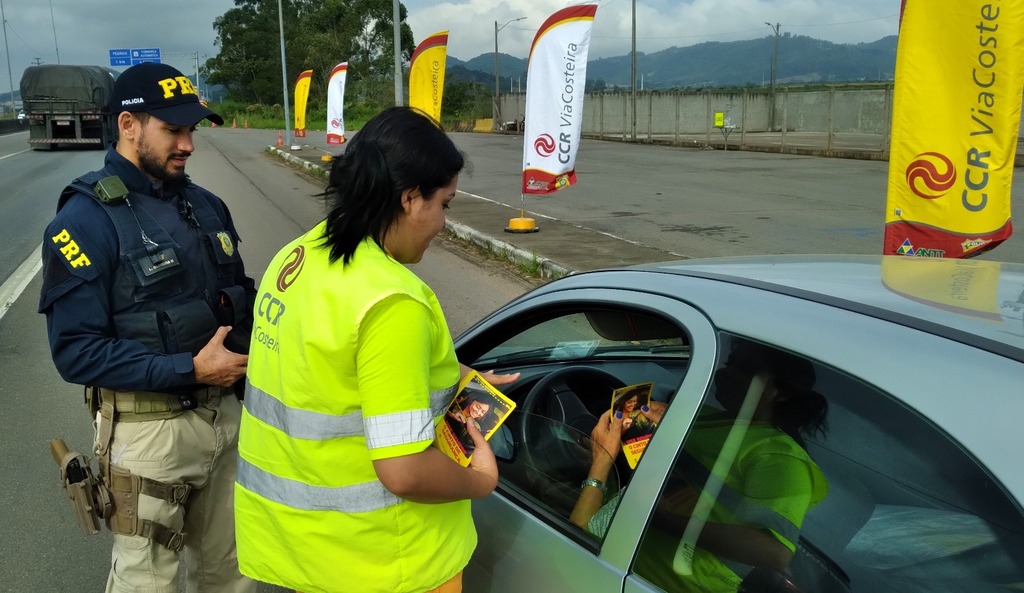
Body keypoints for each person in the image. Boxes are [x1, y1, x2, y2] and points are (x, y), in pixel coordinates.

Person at [234, 106, 519, 593]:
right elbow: (404, 471)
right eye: (445, 204)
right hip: (384, 562)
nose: (444, 223)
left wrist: (450, 375)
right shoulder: (391, 302)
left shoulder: (299, 257)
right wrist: (481, 481)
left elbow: (328, 374)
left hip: (293, 549)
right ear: (410, 198)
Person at [39, 61, 257, 592]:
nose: (188, 145)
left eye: (192, 130)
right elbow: (76, 352)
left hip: (228, 421)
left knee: (233, 576)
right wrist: (188, 366)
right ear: (129, 126)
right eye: (174, 130)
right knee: (147, 583)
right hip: (149, 435)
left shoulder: (206, 206)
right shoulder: (83, 221)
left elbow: (240, 300)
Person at [570, 340, 828, 593]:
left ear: (781, 392)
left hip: (649, 577)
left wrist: (660, 517)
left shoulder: (781, 459)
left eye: (745, 368)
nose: (724, 372)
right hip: (616, 544)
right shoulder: (708, 417)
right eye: (729, 363)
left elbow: (773, 553)